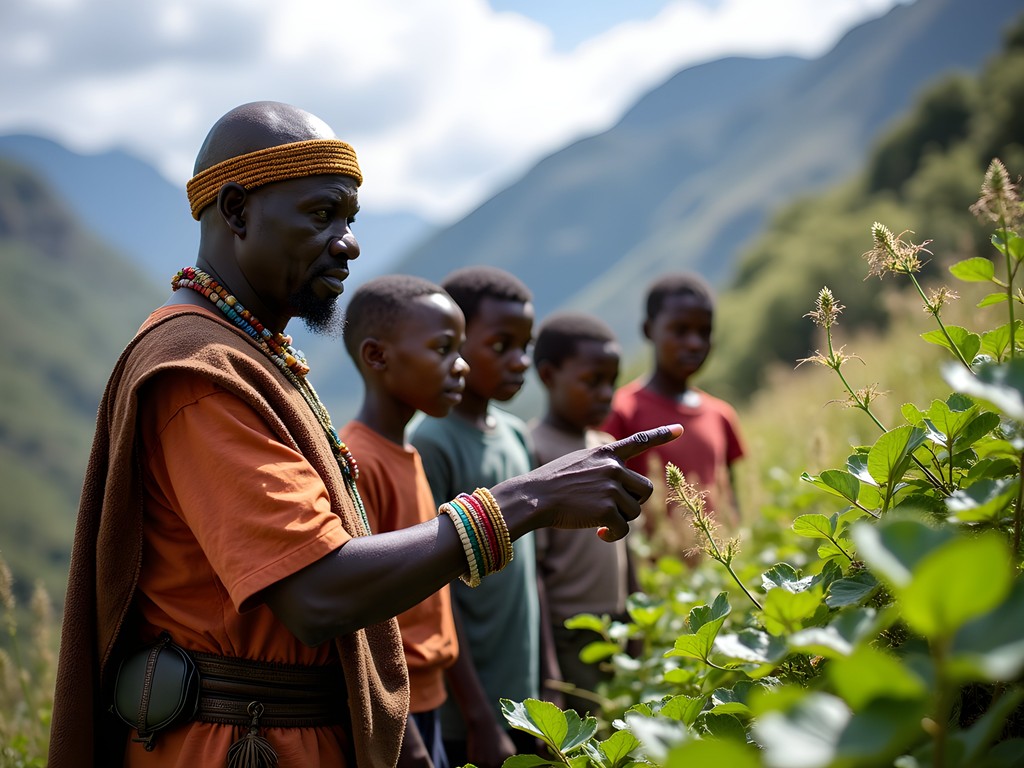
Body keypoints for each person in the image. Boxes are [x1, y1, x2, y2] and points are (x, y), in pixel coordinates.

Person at [46, 99, 680, 768]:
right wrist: (527, 502)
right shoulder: (200, 373)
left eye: (350, 219)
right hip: (242, 746)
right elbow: (315, 593)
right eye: (322, 215)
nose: (348, 243)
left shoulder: (251, 351)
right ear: (236, 211)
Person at [408, 266, 544, 767]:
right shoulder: (432, 441)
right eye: (502, 345)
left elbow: (531, 575)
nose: (520, 361)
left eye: (526, 345)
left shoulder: (515, 435)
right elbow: (436, 591)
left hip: (524, 695)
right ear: (458, 344)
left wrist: (547, 678)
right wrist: (479, 717)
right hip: (470, 711)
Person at [340, 274, 469, 768]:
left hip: (430, 700)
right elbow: (364, 607)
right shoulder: (360, 460)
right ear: (378, 357)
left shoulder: (406, 451)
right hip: (401, 710)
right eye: (442, 349)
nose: (462, 366)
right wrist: (404, 734)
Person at [528, 311, 640, 718]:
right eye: (591, 382)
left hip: (614, 623)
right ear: (548, 375)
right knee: (587, 735)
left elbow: (628, 544)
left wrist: (635, 613)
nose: (605, 393)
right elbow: (534, 568)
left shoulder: (609, 445)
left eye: (611, 382)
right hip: (567, 631)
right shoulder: (534, 450)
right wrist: (549, 670)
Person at [603, 272, 745, 545]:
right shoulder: (621, 411)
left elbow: (730, 498)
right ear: (648, 330)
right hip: (658, 579)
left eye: (704, 332)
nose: (694, 343)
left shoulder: (721, 415)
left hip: (720, 571)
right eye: (680, 330)